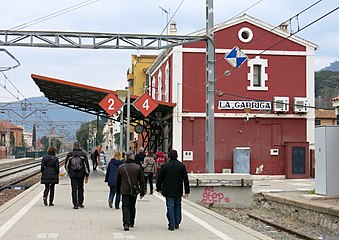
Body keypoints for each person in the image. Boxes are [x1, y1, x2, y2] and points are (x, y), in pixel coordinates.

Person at [156, 149, 190, 231]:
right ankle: (177, 222)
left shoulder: (165, 166)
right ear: (177, 156)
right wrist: (187, 190)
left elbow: (159, 178)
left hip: (168, 190)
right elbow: (185, 179)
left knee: (170, 206)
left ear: (169, 156)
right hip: (178, 190)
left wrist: (159, 188)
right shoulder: (181, 166)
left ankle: (171, 224)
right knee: (178, 205)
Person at [116, 150, 145, 231]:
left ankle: (126, 223)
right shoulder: (137, 167)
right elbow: (142, 180)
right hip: (134, 190)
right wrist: (142, 192)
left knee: (125, 206)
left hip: (124, 190)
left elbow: (118, 181)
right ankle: (131, 221)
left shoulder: (121, 167)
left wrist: (118, 191)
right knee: (132, 206)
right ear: (133, 157)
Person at [65, 141, 90, 209]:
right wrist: (87, 175)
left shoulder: (70, 154)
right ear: (80, 146)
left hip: (72, 174)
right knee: (81, 188)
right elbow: (86, 165)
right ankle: (80, 203)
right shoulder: (83, 154)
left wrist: (69, 172)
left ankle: (75, 204)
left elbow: (66, 165)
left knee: (74, 189)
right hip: (81, 174)